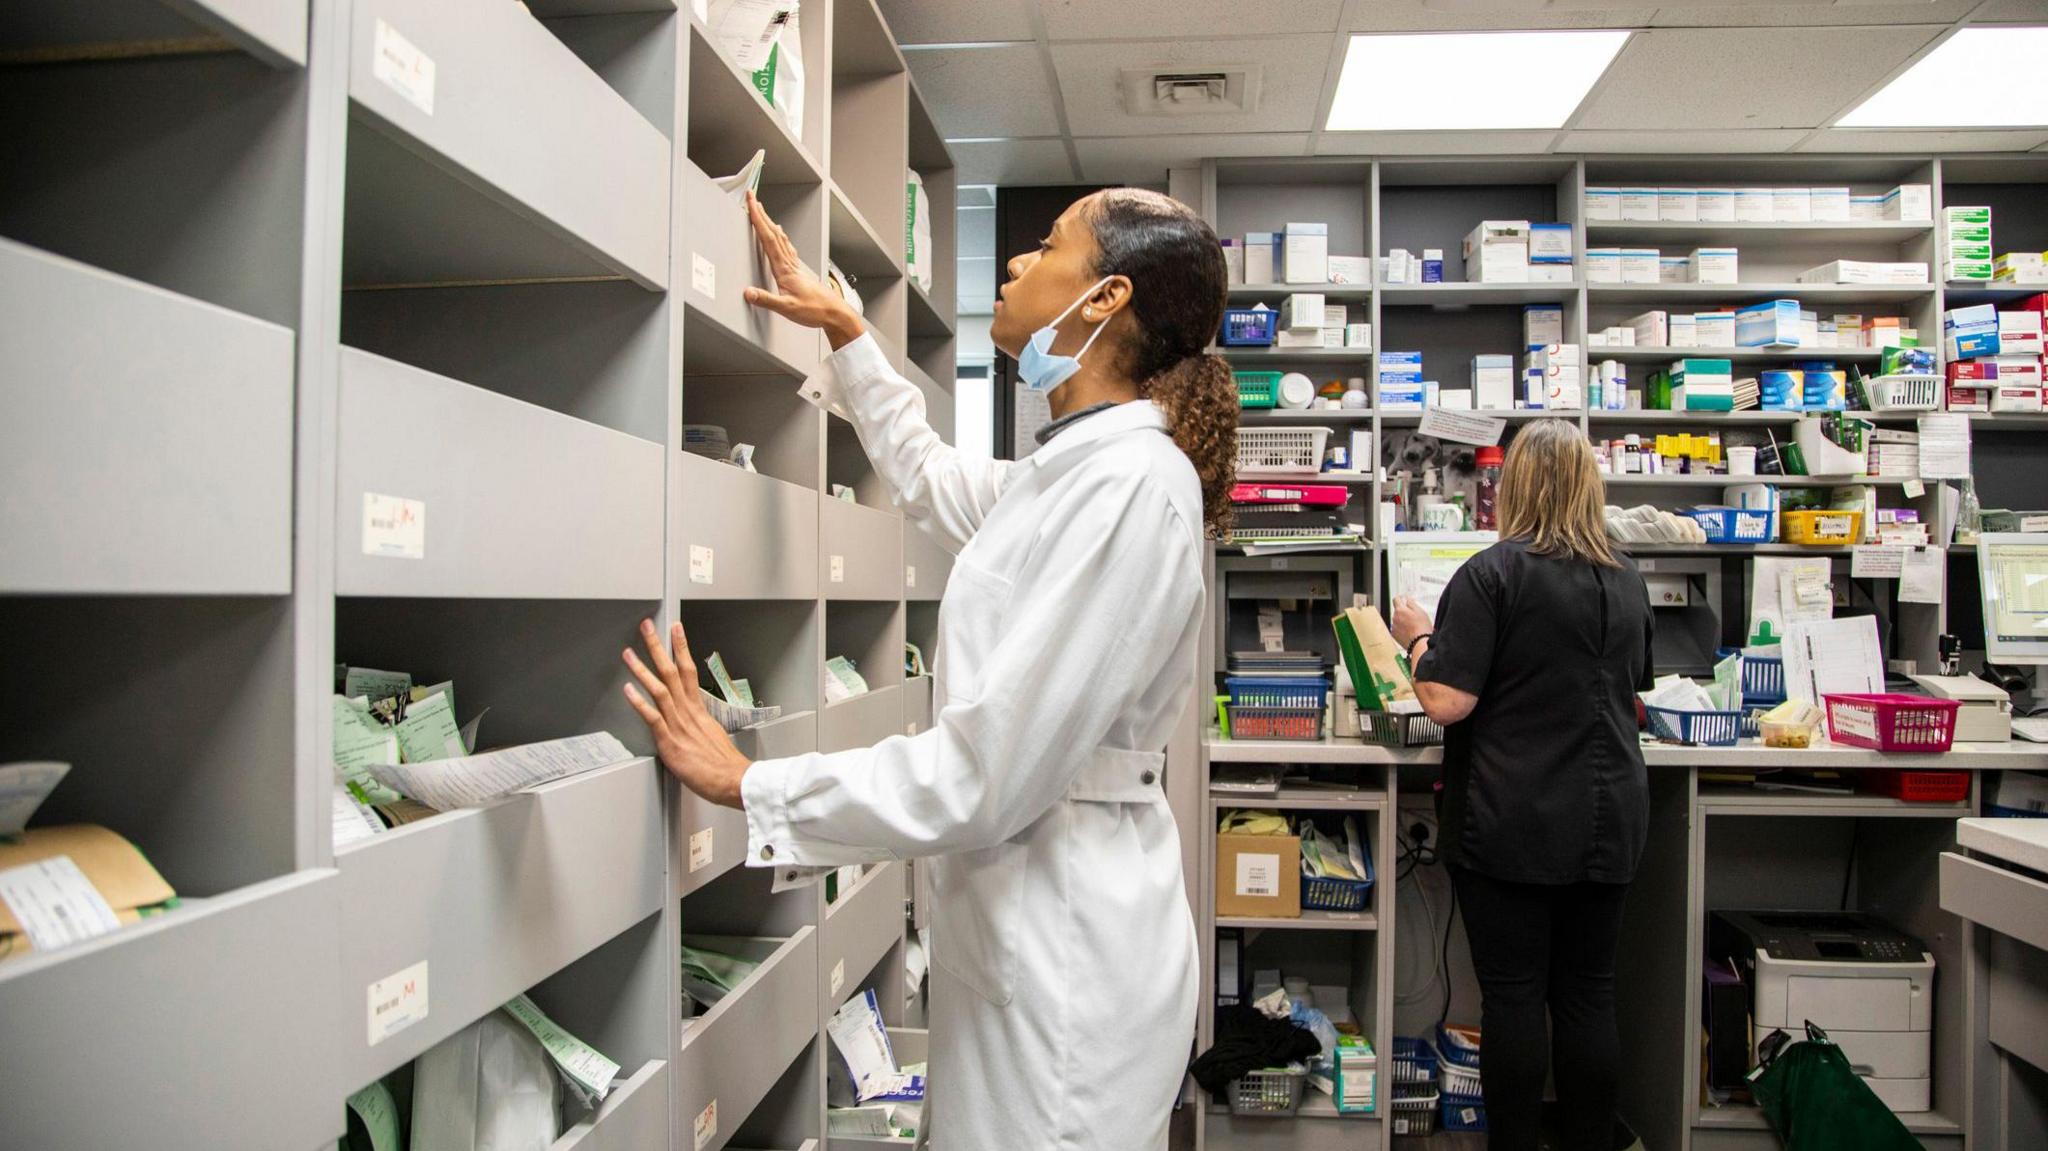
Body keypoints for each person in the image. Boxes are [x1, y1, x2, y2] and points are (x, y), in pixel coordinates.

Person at [621, 187, 1239, 1149]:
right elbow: (929, 477)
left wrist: (751, 781)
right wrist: (847, 334)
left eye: (1047, 247)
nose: (1015, 266)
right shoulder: (1075, 470)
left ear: (1104, 298)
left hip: (1064, 975)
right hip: (1020, 941)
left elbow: (985, 772)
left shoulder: (1132, 489)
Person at [1389, 419, 1654, 1151]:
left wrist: (1416, 636)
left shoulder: (1493, 573)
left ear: (1517, 488)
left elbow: (1446, 700)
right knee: (1586, 996)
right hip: (1610, 822)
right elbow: (1635, 688)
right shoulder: (1627, 575)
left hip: (1516, 822)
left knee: (1512, 998)